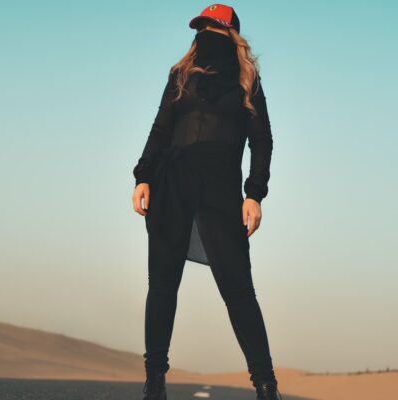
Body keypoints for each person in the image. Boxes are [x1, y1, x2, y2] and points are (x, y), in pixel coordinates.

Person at [131, 4, 283, 400]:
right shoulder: (180, 74)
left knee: (238, 288)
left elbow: (262, 140)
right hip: (172, 181)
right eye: (201, 29)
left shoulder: (248, 81)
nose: (205, 37)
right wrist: (143, 175)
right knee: (161, 284)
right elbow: (161, 127)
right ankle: (155, 382)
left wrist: (254, 194)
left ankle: (266, 385)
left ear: (229, 34)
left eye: (213, 29)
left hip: (220, 187)